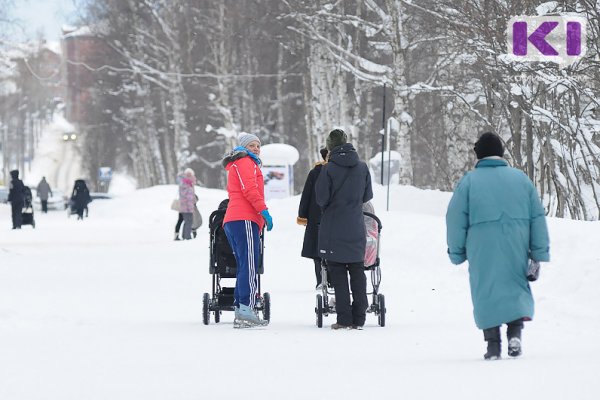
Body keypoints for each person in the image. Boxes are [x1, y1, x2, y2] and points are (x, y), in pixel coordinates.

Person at [446, 132, 550, 360]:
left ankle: (493, 344)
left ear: (479, 156)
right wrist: (538, 253)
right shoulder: (520, 179)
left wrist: (457, 252)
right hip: (517, 242)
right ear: (501, 153)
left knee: (486, 289)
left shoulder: (469, 182)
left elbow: (454, 218)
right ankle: (515, 334)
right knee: (514, 286)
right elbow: (537, 216)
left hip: (481, 246)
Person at [316, 129, 373, 330]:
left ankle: (344, 319)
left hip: (334, 227)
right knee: (358, 272)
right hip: (356, 227)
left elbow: (321, 198)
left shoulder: (328, 169)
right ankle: (359, 318)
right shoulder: (362, 167)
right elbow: (367, 196)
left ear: (330, 147)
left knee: (338, 273)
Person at [222, 132, 272, 328]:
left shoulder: (241, 162)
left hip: (236, 220)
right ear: (243, 147)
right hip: (244, 218)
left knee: (244, 265)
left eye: (258, 146)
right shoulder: (245, 162)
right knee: (250, 266)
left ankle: (240, 309)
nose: (256, 149)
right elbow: (250, 190)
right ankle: (246, 309)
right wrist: (264, 211)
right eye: (252, 145)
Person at [298, 148, 329, 289]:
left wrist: (303, 216)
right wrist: (303, 216)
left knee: (319, 250)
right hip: (322, 215)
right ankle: (324, 280)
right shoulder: (317, 172)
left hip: (316, 215)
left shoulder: (316, 172)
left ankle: (322, 280)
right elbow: (307, 195)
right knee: (323, 250)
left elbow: (306, 196)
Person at [177, 168, 197, 240]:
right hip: (186, 206)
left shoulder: (187, 183)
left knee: (187, 221)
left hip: (187, 206)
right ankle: (187, 236)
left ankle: (184, 235)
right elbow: (187, 196)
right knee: (189, 221)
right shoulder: (185, 183)